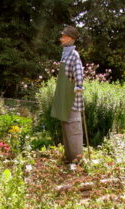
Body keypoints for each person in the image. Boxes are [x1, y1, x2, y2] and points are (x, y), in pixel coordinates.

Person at [51, 25, 84, 163]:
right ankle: (69, 158)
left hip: (72, 99)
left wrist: (77, 87)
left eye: (63, 36)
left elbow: (79, 76)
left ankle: (76, 160)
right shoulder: (65, 55)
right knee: (65, 127)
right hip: (64, 97)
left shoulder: (74, 55)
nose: (61, 39)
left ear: (70, 38)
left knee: (73, 129)